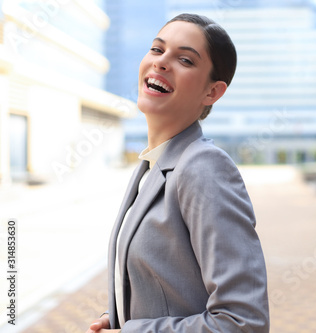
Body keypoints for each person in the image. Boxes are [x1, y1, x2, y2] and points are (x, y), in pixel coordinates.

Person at [86, 13, 270, 333]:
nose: (162, 62)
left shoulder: (203, 167)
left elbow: (244, 321)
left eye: (185, 59)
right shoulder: (152, 166)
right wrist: (119, 315)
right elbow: (169, 284)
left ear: (212, 92)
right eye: (157, 50)